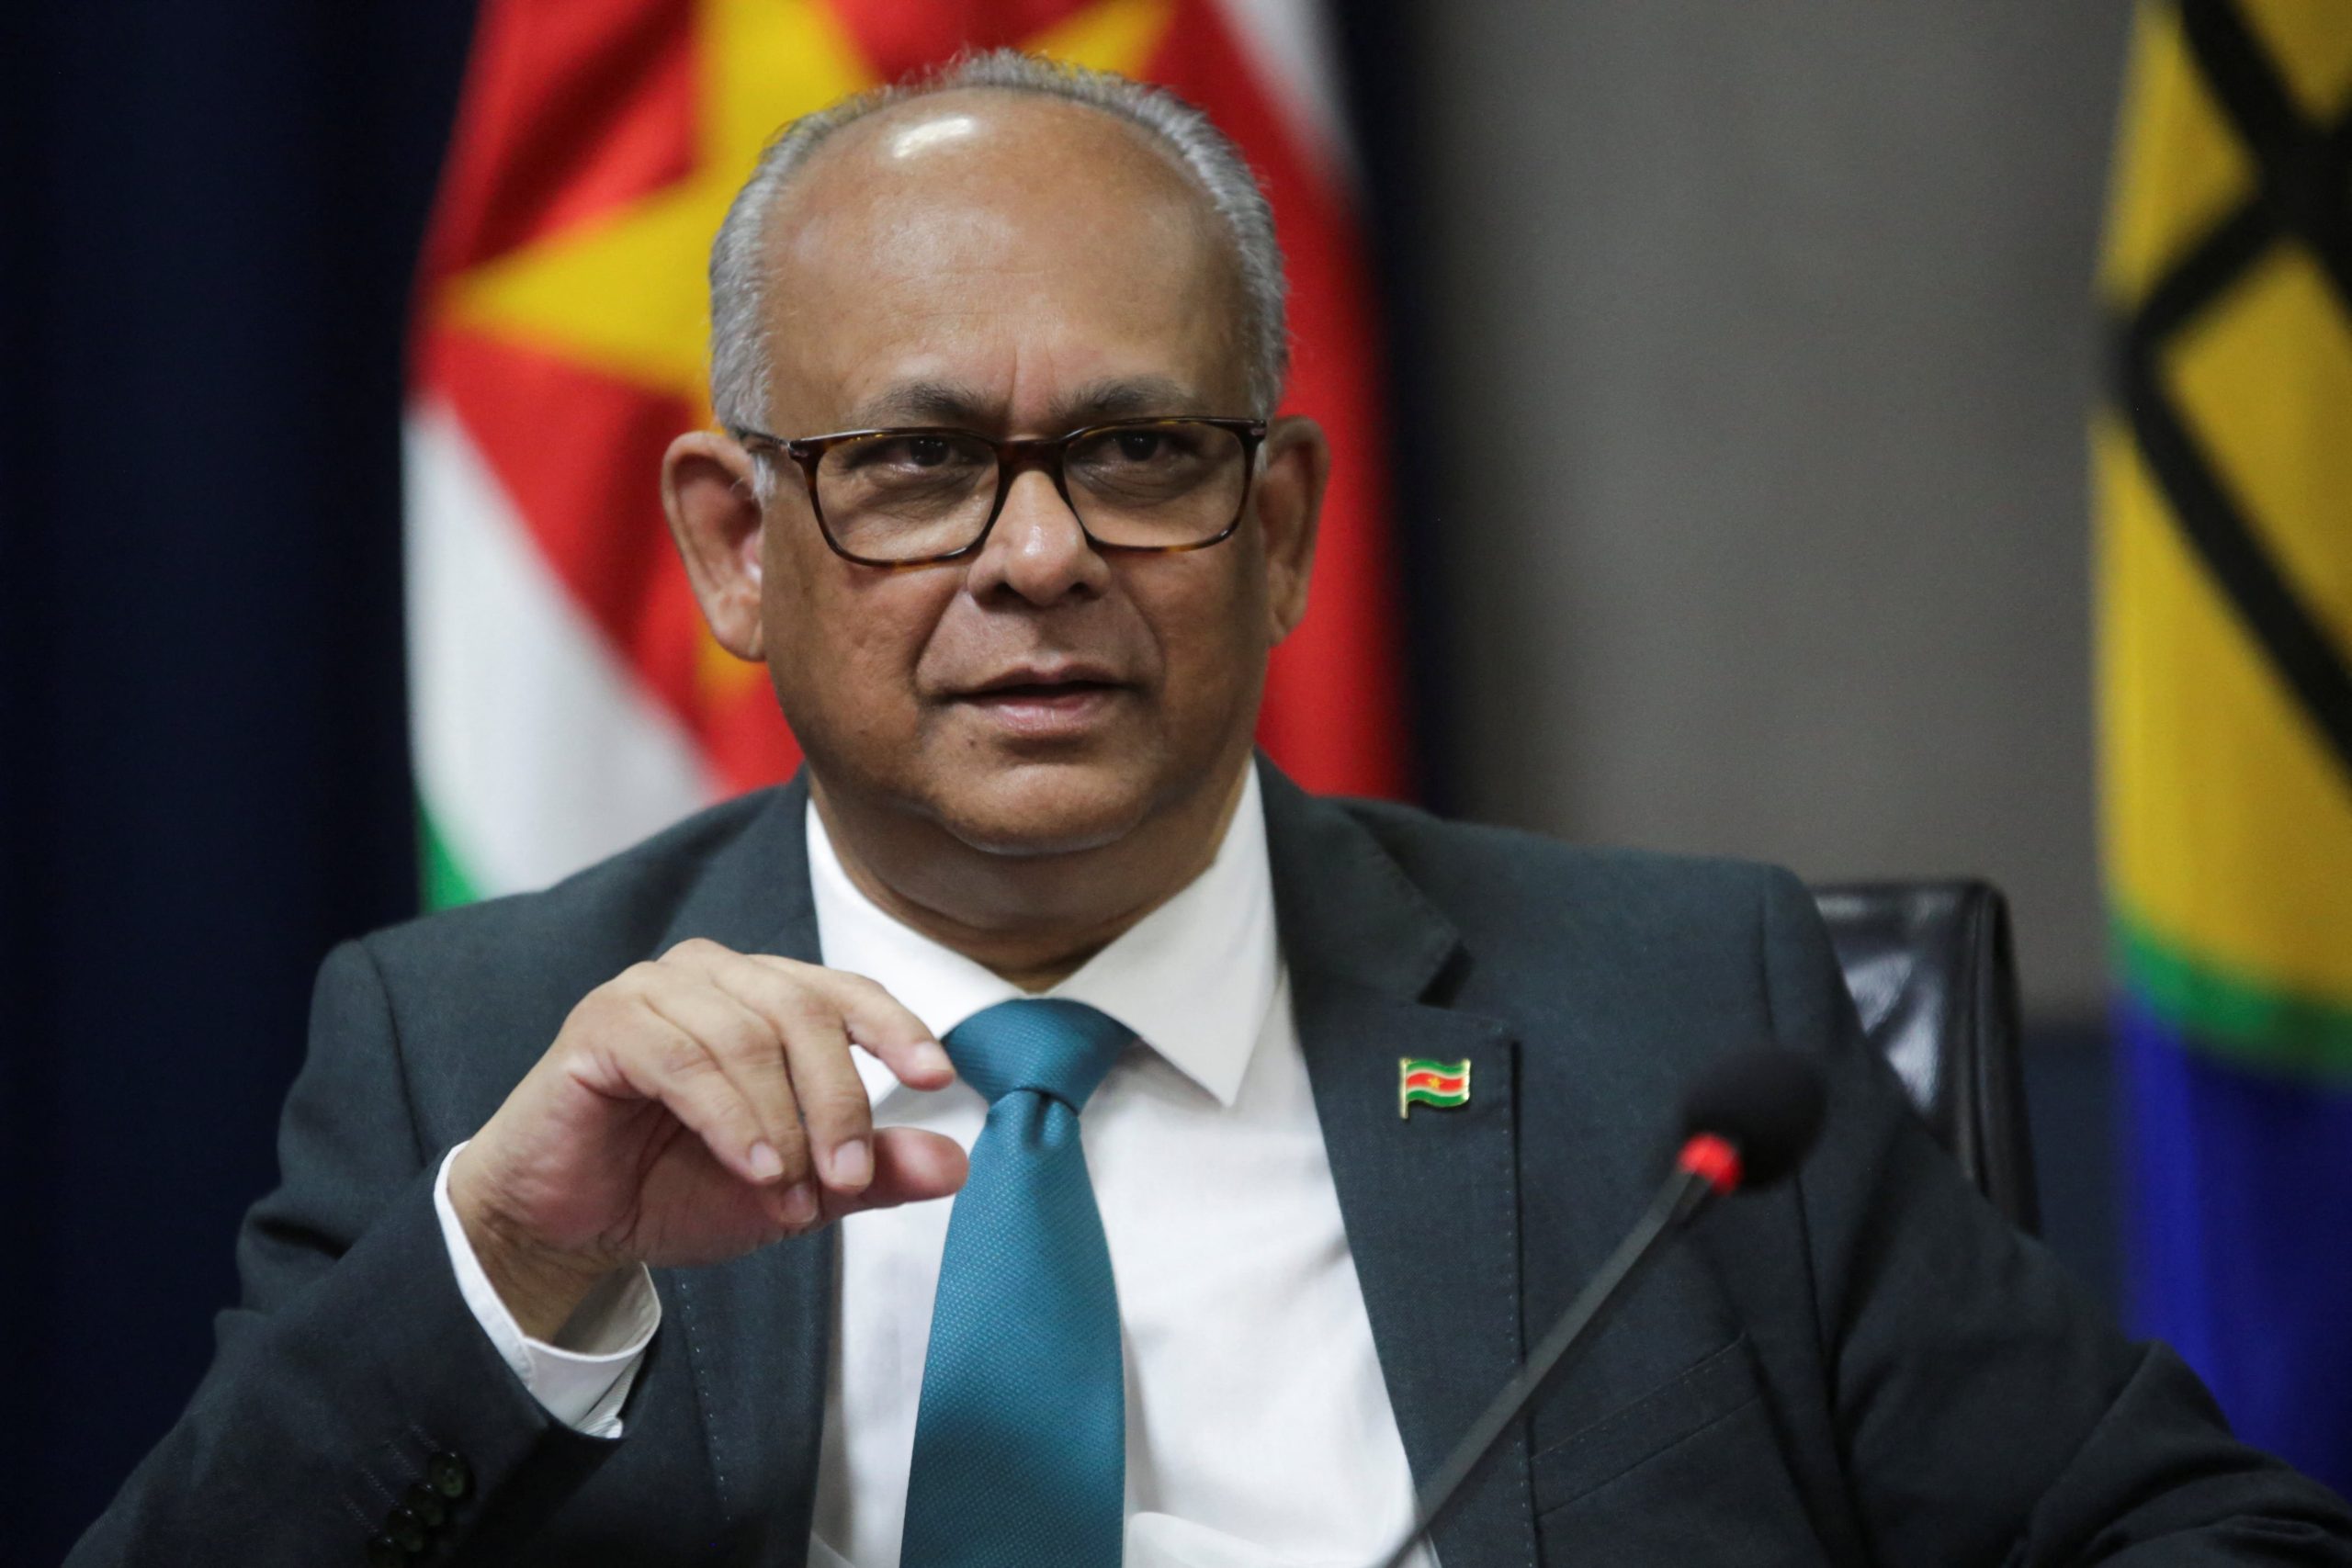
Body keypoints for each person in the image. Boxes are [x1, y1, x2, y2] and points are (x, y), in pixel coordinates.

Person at [73, 51, 2352, 1568]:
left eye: (1140, 451)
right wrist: (518, 1275)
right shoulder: (473, 1048)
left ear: (1276, 528)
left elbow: (2210, 1535)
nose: (1037, 554)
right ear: (734, 548)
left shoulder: (1675, 1017)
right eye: (917, 462)